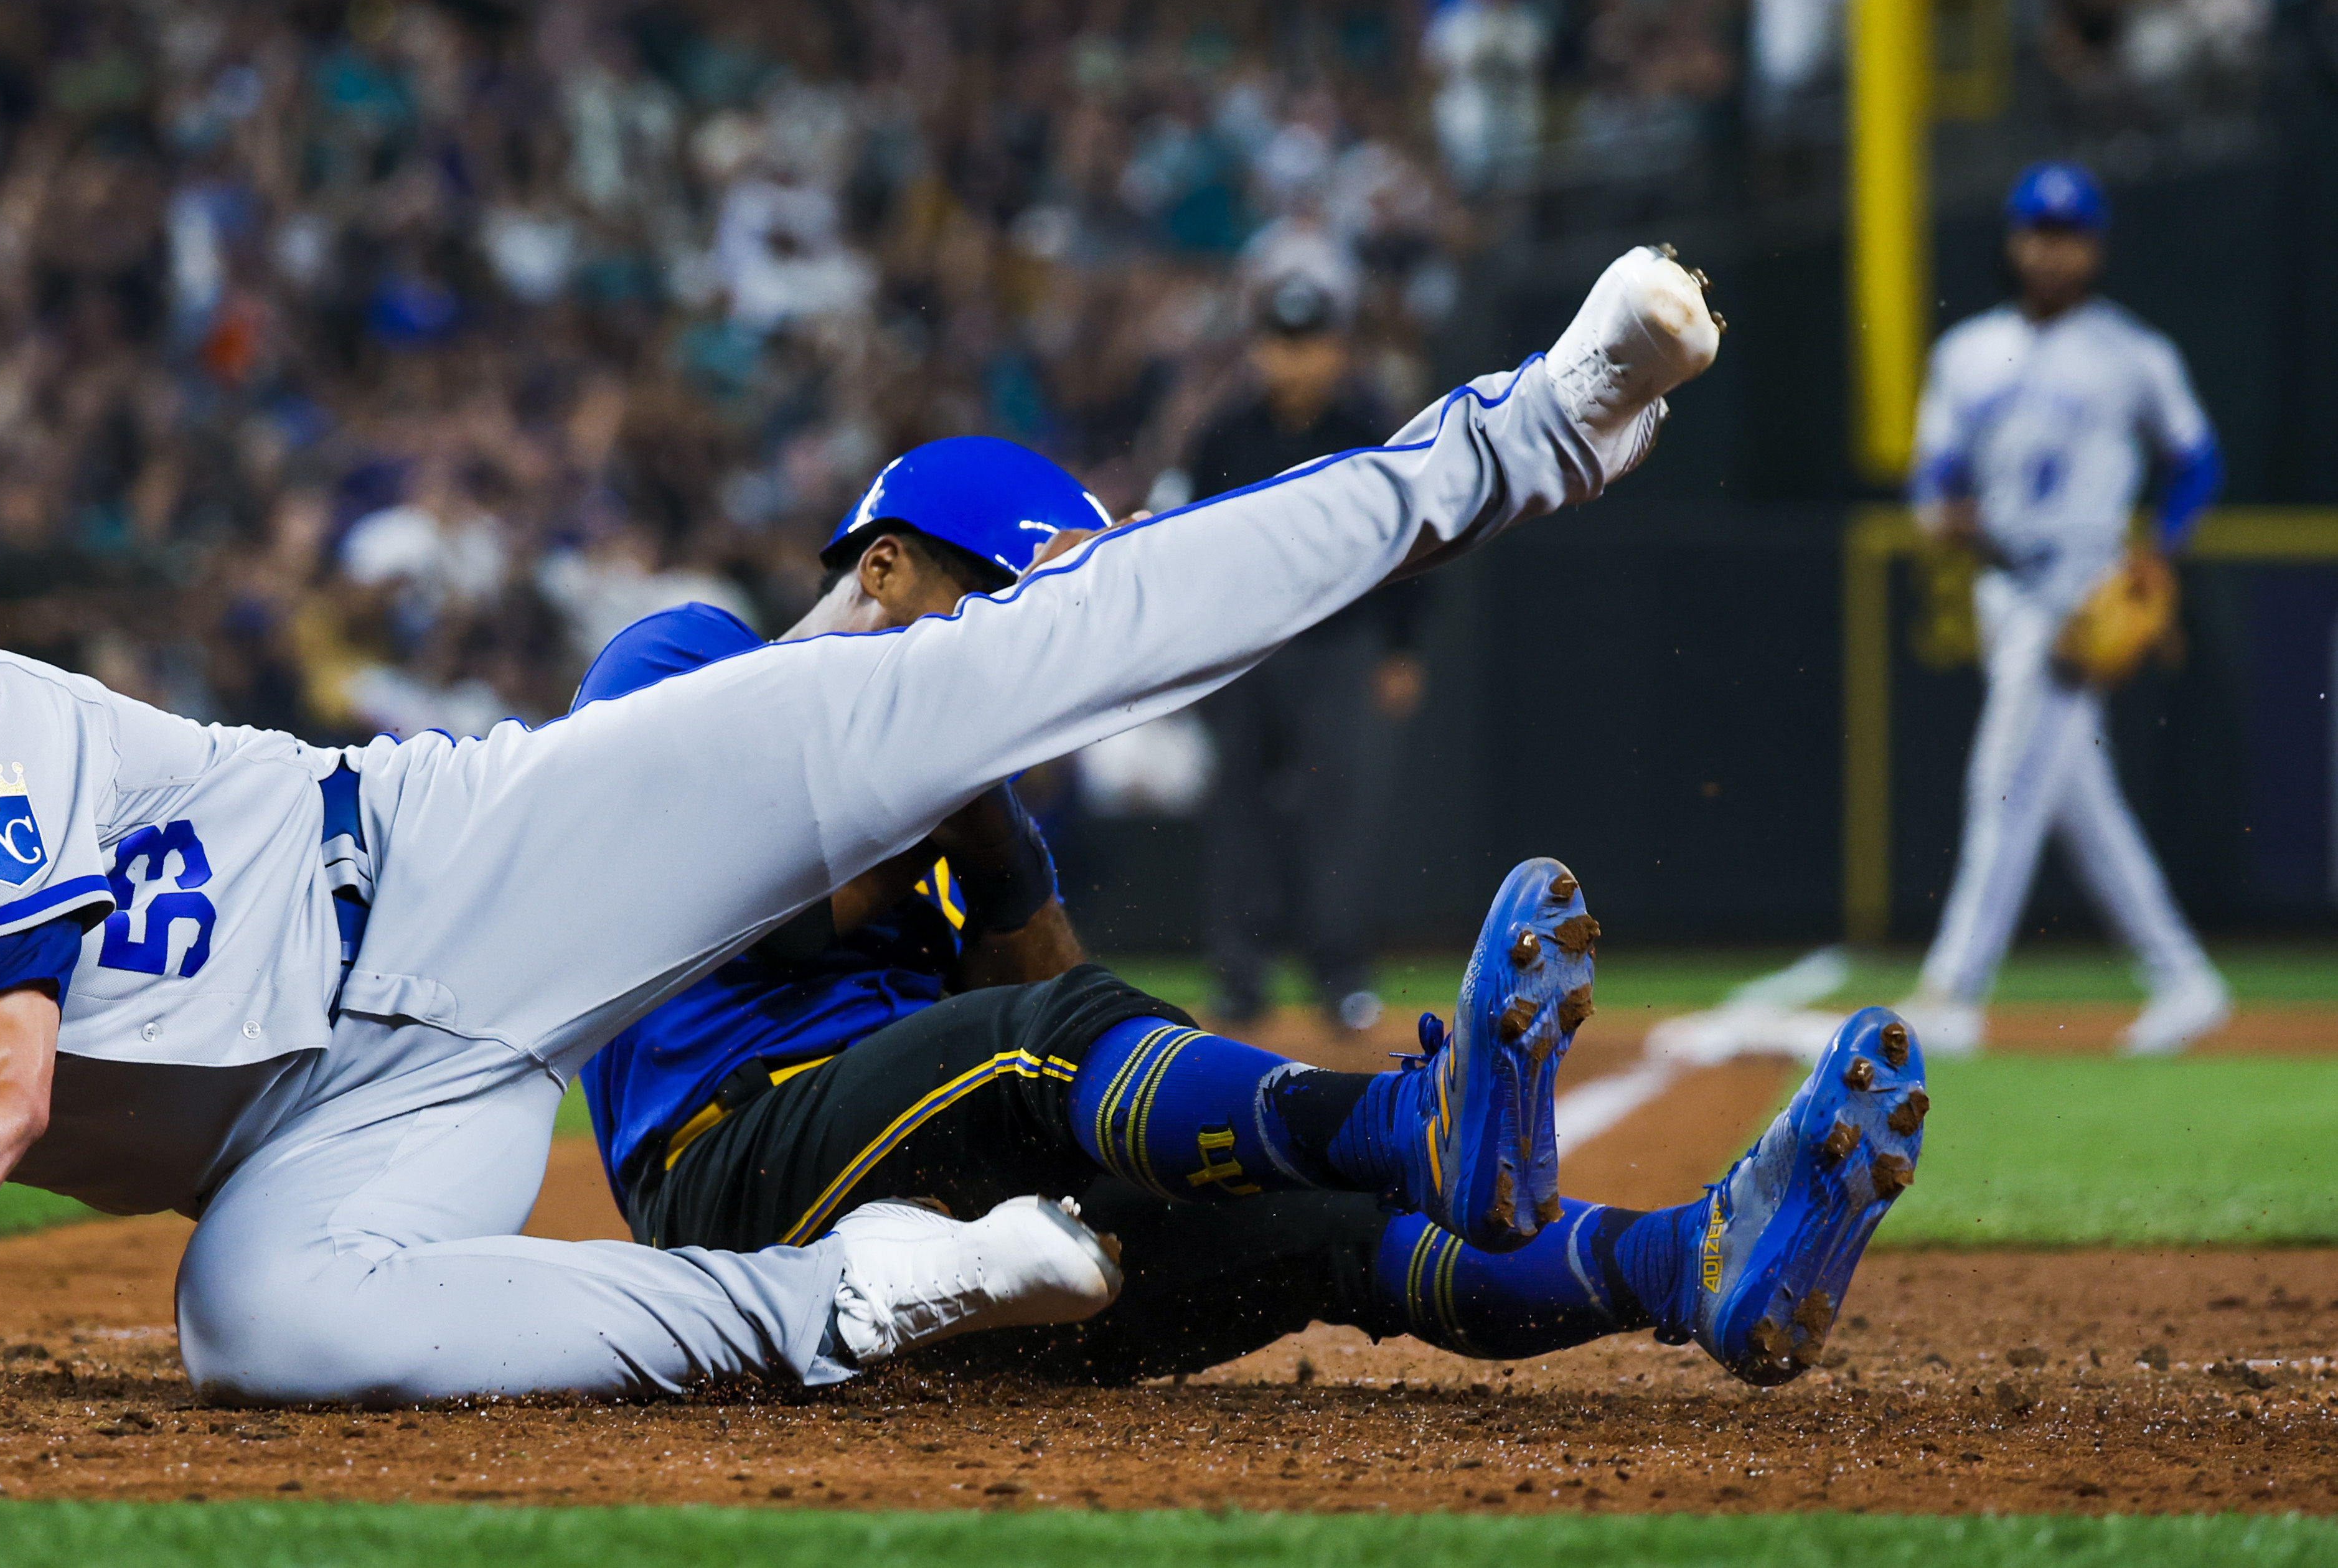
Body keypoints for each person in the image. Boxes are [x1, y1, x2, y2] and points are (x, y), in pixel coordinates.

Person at [0, 248, 1720, 1404]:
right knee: (262, 1340)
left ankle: (1515, 438)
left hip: (464, 861)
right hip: (330, 1137)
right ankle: (853, 1293)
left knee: (975, 672)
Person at [570, 439, 1930, 1390]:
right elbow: (795, 906)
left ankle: (1688, 1265)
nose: (1022, 662)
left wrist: (990, 826)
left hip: (943, 1267)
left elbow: (1057, 1023)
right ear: (882, 568)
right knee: (1031, 1041)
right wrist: (964, 785)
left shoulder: (968, 795)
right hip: (731, 1183)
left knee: (1323, 1228)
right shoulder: (683, 656)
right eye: (998, 606)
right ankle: (1410, 1125)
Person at [1902, 162, 2231, 1058]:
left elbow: (2195, 460)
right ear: (2014, 241)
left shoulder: (2130, 351)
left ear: (2093, 246)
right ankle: (2182, 977)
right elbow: (1933, 472)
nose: (2050, 249)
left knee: (2002, 789)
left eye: (2068, 233)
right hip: (2000, 583)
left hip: (2081, 592)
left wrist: (2155, 547)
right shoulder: (1965, 351)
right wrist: (1942, 509)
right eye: (2037, 232)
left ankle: (1953, 990)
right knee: (2082, 805)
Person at [1178, 271, 1425, 1029]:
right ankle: (1241, 978)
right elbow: (1191, 548)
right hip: (1246, 650)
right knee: (1241, 816)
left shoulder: (1364, 431)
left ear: (1335, 349)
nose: (1293, 359)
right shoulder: (1223, 435)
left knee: (1338, 814)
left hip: (1338, 645)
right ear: (1257, 351)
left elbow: (1408, 543)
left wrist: (1400, 648)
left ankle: (1341, 974)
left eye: (1307, 342)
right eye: (1280, 343)